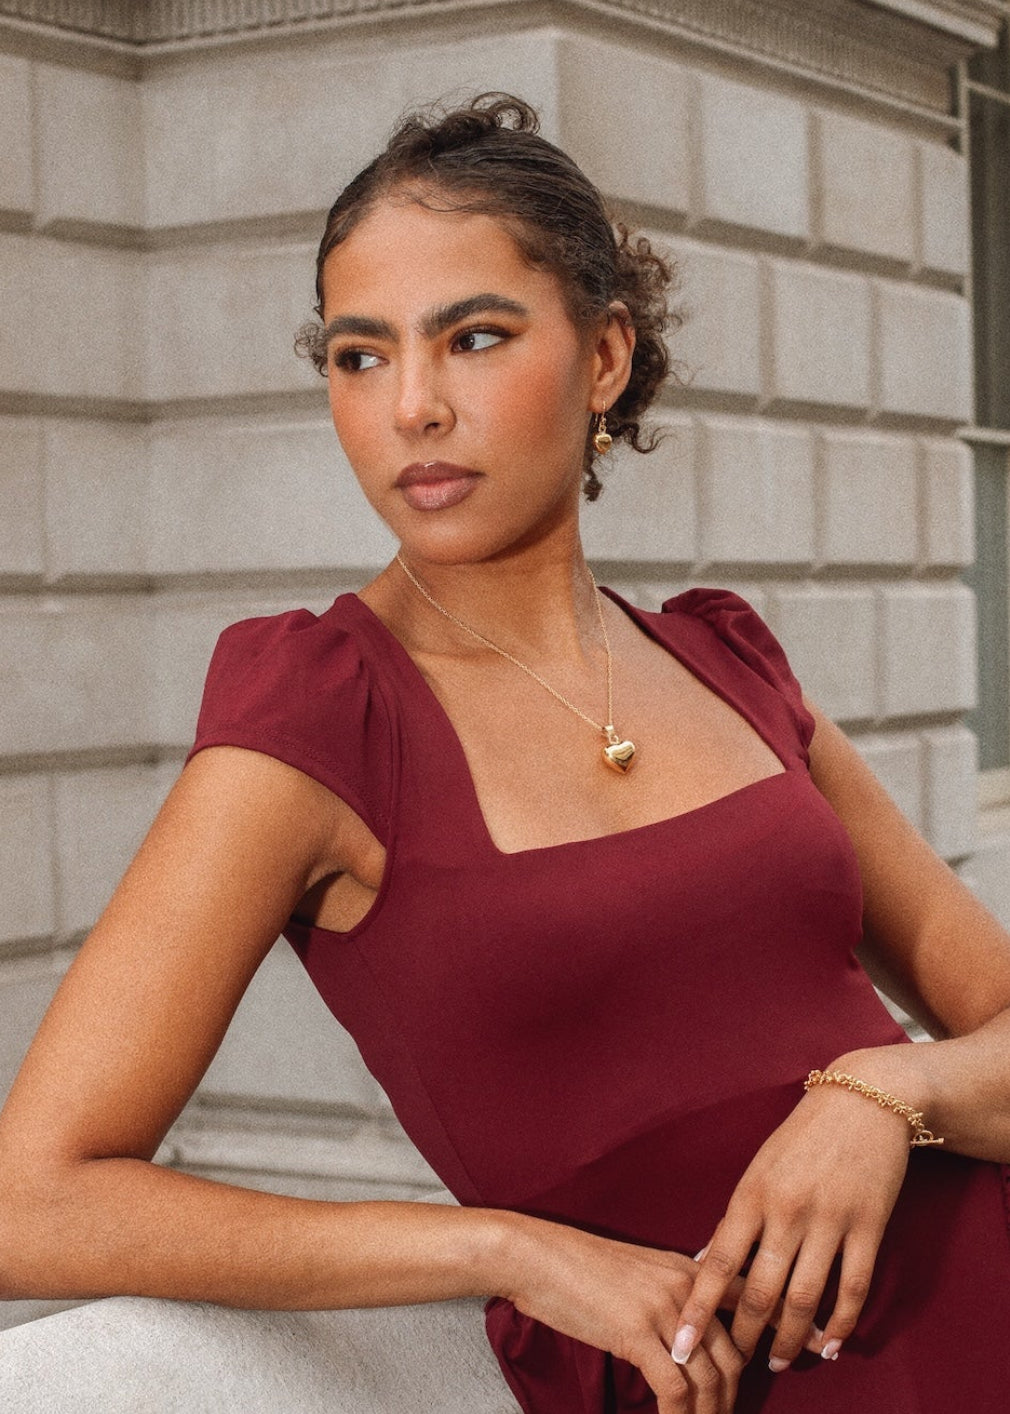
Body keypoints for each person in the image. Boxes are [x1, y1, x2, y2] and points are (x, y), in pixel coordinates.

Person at [0, 92, 1008, 1414]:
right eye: (358, 357)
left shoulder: (724, 661)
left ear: (602, 358)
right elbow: (34, 1199)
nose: (411, 406)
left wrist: (885, 1091)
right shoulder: (319, 718)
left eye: (472, 338)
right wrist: (504, 1246)